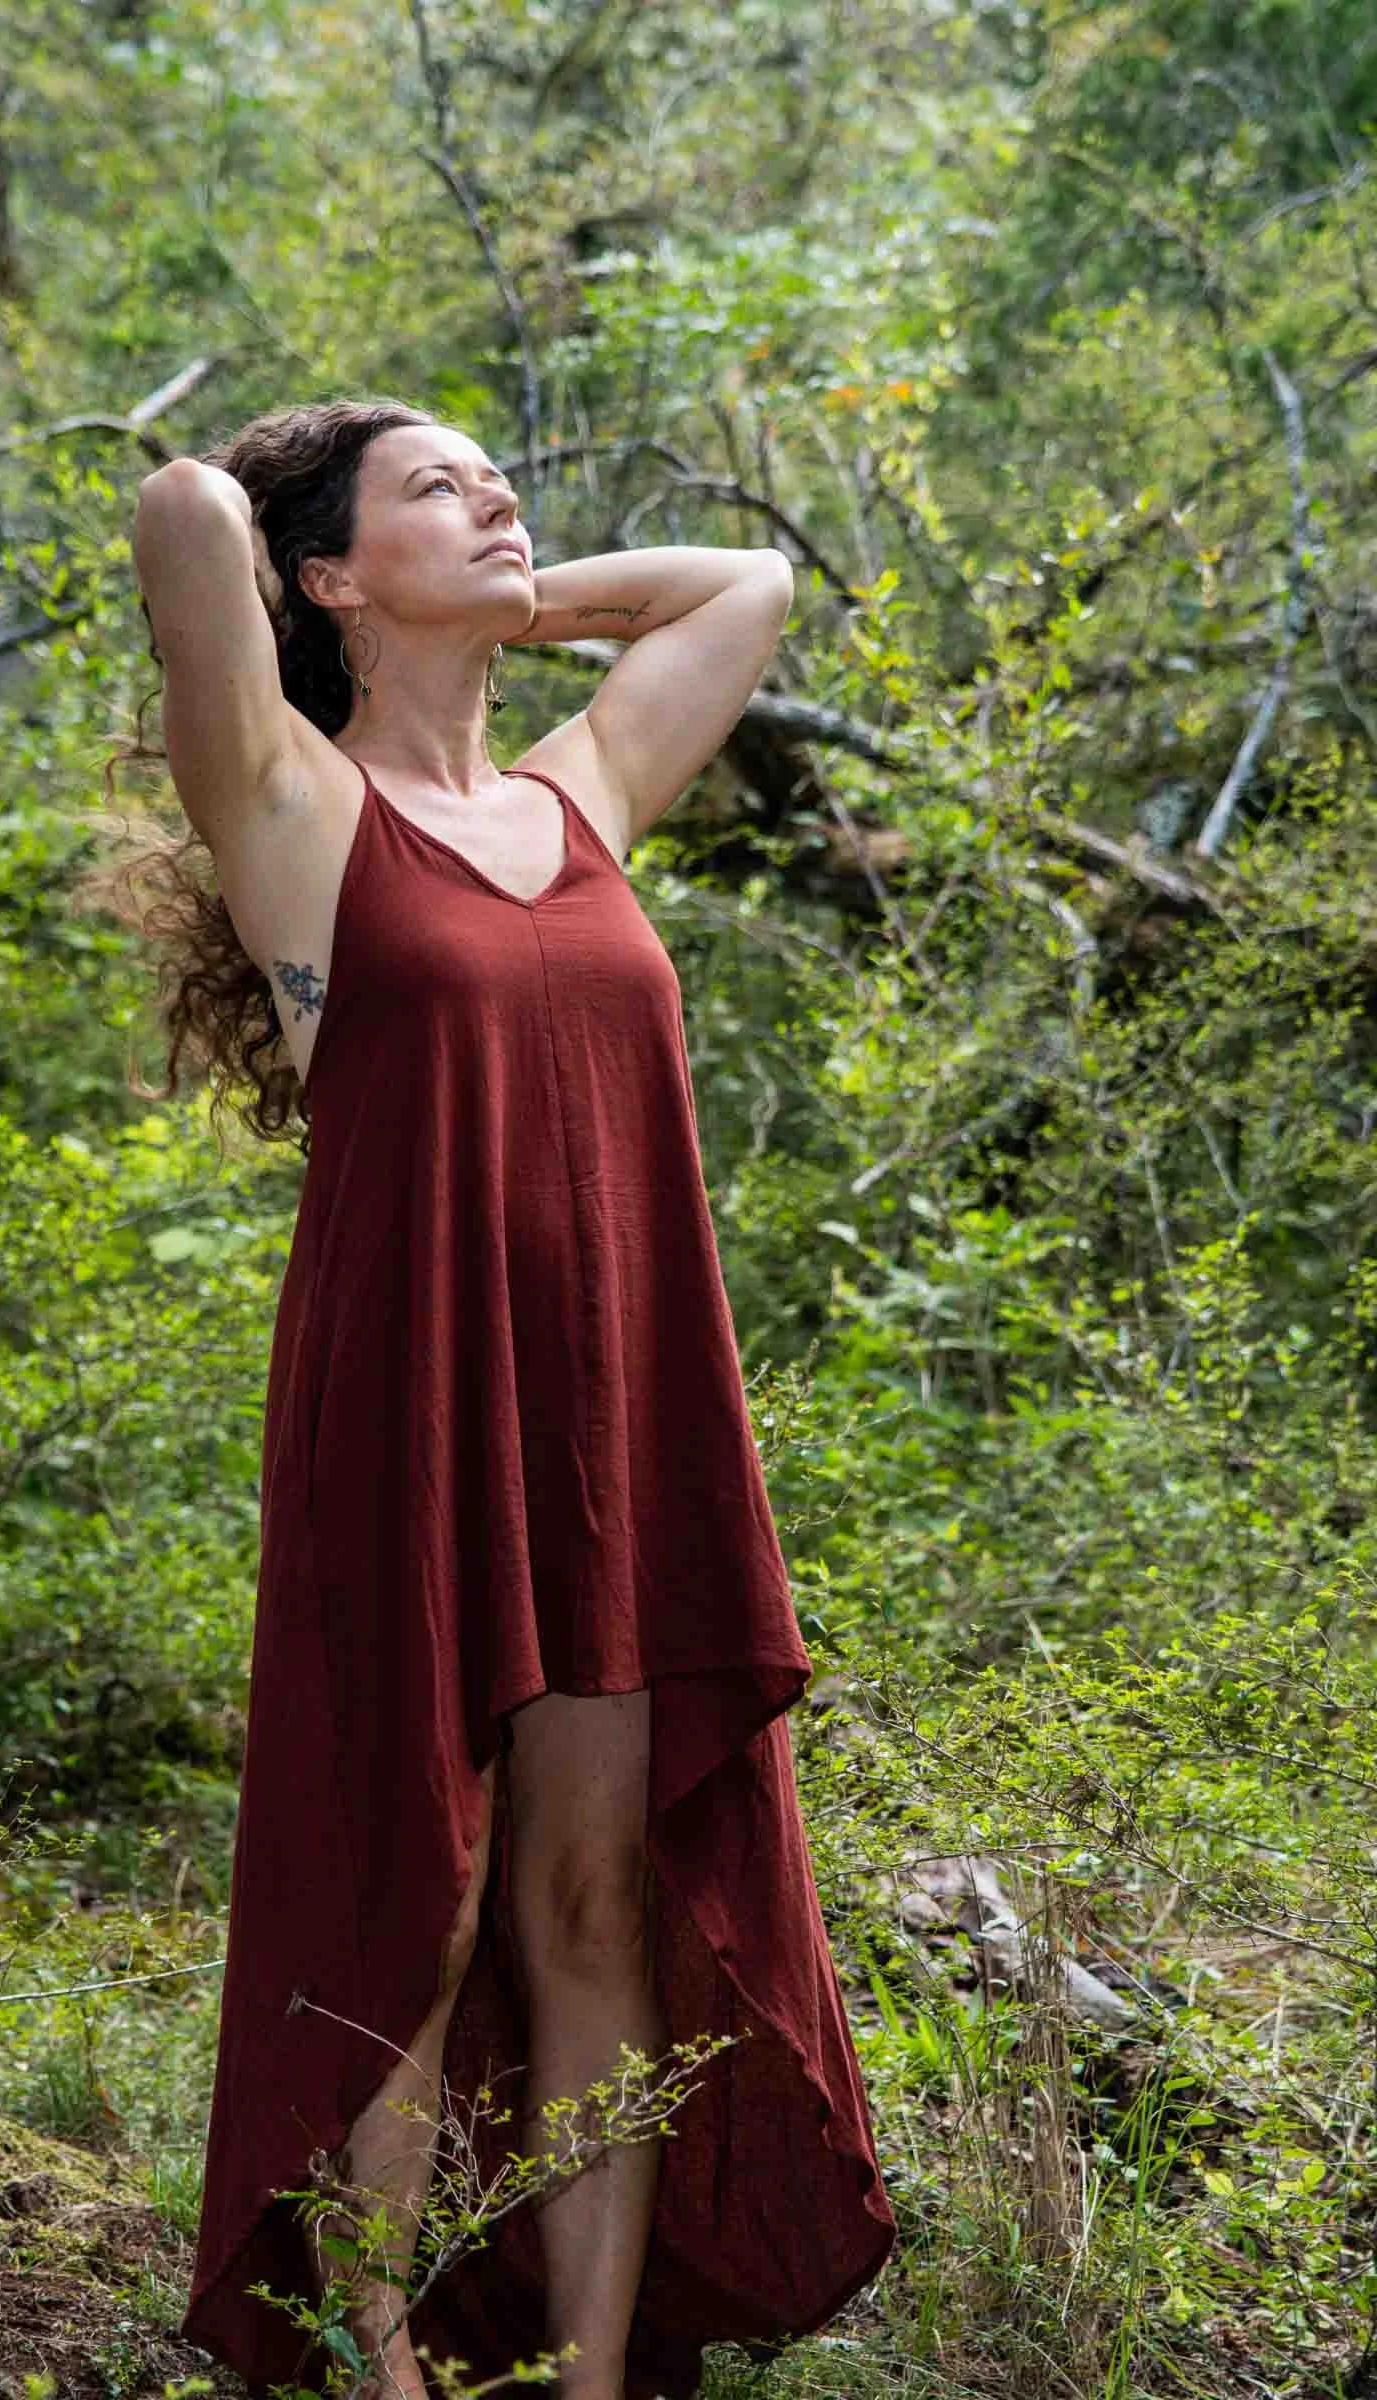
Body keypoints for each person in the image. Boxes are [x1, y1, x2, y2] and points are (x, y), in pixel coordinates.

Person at [125, 398, 894, 2400]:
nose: (492, 492)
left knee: (583, 1905)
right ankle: (377, 2367)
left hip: (612, 1426)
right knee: (416, 1895)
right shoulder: (290, 811)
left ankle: (580, 2372)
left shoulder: (581, 794)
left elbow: (743, 584)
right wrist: (357, 528)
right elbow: (184, 508)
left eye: (499, 472)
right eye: (433, 485)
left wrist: (500, 599)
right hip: (410, 1411)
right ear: (323, 576)